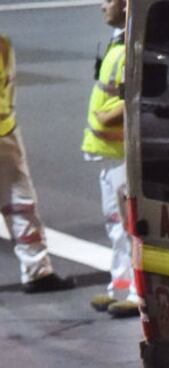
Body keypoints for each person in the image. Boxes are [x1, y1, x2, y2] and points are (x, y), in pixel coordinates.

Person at [0, 35, 75, 293]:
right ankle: (37, 270)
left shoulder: (3, 43)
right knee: (21, 204)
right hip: (5, 133)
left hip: (5, 133)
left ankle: (37, 271)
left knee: (22, 204)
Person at [84, 0, 137, 318]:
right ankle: (119, 284)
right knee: (116, 224)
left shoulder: (132, 43)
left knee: (130, 225)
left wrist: (108, 117)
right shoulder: (118, 40)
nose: (101, 6)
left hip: (123, 154)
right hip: (109, 154)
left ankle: (135, 292)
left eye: (108, 0)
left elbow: (136, 89)